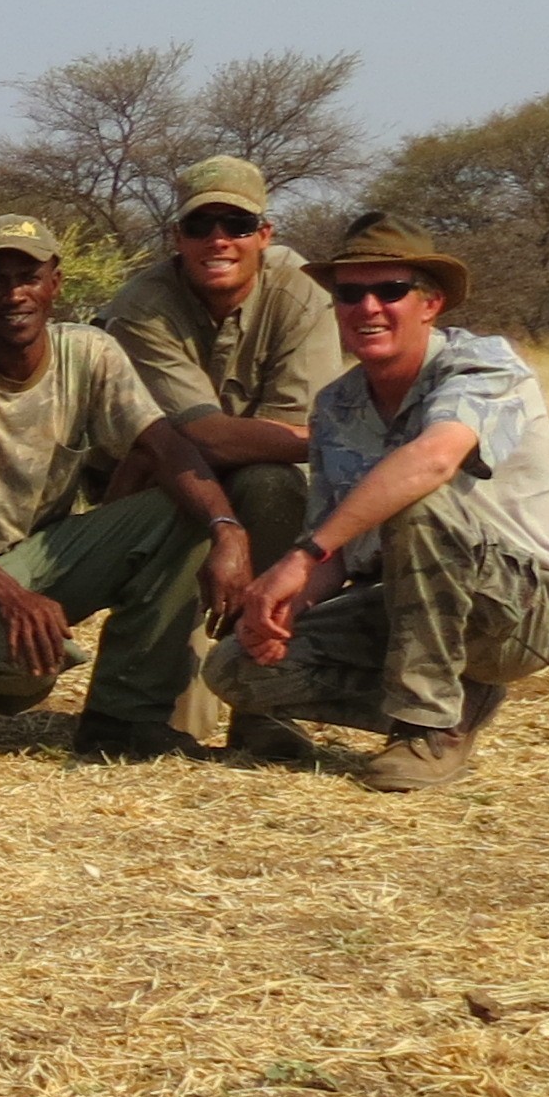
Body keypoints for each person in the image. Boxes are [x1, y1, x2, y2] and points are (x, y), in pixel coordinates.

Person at [205, 215, 549, 792]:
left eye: (390, 291)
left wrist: (300, 558)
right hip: (411, 600)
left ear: (430, 304)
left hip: (520, 610)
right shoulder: (337, 405)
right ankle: (455, 705)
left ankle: (427, 729)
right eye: (350, 294)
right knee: (234, 669)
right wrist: (284, 606)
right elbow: (338, 548)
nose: (368, 307)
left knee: (416, 502)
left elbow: (432, 461)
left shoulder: (484, 365)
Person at [0, 216, 249, 760]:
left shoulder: (89, 352)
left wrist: (228, 532)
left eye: (28, 276)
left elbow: (165, 446)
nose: (13, 295)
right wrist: (10, 595)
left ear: (55, 283)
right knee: (28, 671)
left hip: (45, 559)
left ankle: (124, 721)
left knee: (184, 510)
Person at [94, 156, 347, 762]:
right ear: (174, 237)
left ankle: (263, 707)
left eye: (235, 224)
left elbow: (282, 439)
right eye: (200, 225)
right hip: (152, 479)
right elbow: (200, 438)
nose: (218, 240)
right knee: (161, 730)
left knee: (272, 485)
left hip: (259, 485)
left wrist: (281, 443)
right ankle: (136, 702)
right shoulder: (143, 304)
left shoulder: (303, 289)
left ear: (265, 233)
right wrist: (342, 444)